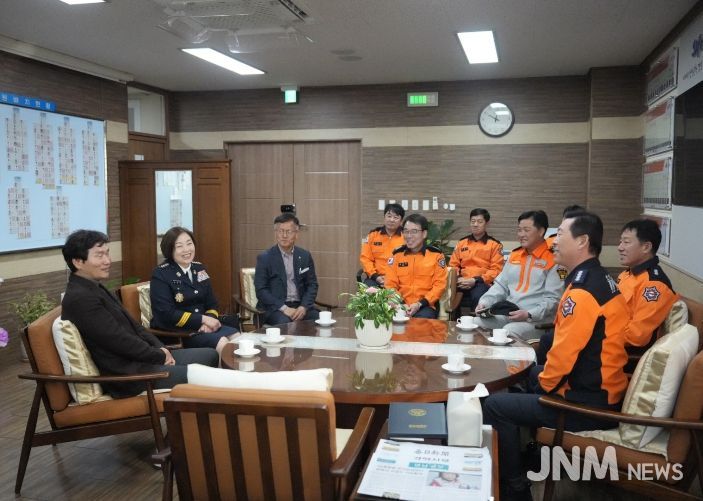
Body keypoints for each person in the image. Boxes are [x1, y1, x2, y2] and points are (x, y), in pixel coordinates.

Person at [483, 212, 629, 501]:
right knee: (522, 373)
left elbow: (562, 359)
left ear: (582, 241)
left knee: (496, 405)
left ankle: (514, 487)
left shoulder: (583, 292)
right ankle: (529, 451)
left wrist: (541, 386)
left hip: (585, 403)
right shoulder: (597, 278)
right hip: (597, 386)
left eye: (560, 234)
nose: (554, 241)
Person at [61, 230, 219, 398]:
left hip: (144, 359)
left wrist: (161, 349)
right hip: (131, 375)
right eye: (99, 255)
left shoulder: (94, 287)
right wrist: (158, 356)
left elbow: (135, 327)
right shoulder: (80, 298)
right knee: (207, 377)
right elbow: (118, 341)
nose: (107, 261)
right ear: (78, 262)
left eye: (107, 253)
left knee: (209, 355)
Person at [474, 210, 563, 342]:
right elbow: (501, 286)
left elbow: (553, 300)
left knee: (509, 332)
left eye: (526, 230)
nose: (521, 234)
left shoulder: (554, 259)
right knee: (475, 323)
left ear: (541, 231)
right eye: (519, 230)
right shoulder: (515, 255)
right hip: (510, 315)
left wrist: (529, 314)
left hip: (536, 320)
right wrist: (485, 302)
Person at [150, 226, 238, 354]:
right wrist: (202, 320)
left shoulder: (199, 268)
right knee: (222, 342)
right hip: (179, 332)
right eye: (179, 246)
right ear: (170, 250)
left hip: (203, 328)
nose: (186, 250)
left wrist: (208, 322)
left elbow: (212, 303)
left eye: (189, 243)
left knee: (237, 338)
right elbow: (167, 314)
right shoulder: (161, 274)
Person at [617, 219, 679, 347]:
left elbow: (636, 337)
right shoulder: (626, 274)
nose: (620, 247)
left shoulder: (654, 286)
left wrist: (599, 336)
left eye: (626, 242)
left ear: (646, 247)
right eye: (620, 242)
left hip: (623, 350)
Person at [255, 213, 320, 324]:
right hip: (275, 308)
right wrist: (284, 308)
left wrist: (304, 306)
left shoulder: (305, 256)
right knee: (285, 323)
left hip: (299, 305)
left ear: (296, 234)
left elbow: (312, 285)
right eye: (280, 231)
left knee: (319, 320)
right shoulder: (265, 258)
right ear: (276, 233)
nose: (284, 235)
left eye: (288, 231)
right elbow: (261, 290)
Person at [384, 214, 448, 319]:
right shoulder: (396, 255)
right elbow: (390, 284)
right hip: (399, 304)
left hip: (425, 305)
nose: (409, 236)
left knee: (420, 323)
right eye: (406, 231)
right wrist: (401, 304)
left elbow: (439, 285)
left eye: (414, 231)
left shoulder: (436, 255)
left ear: (424, 234)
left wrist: (420, 304)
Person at [449, 208, 504, 312]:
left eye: (479, 221)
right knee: (448, 294)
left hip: (482, 282)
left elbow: (496, 270)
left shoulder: (495, 245)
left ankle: (477, 320)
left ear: (486, 224)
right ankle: (453, 320)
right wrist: (458, 278)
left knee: (478, 296)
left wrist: (476, 280)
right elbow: (453, 265)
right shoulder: (462, 243)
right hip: (461, 281)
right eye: (473, 221)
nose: (475, 224)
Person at [359, 203, 405, 287]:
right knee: (368, 292)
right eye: (389, 216)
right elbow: (365, 258)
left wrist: (393, 279)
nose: (391, 220)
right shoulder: (373, 235)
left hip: (399, 280)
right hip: (376, 278)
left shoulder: (406, 237)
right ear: (384, 217)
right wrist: (375, 276)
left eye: (396, 217)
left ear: (401, 221)